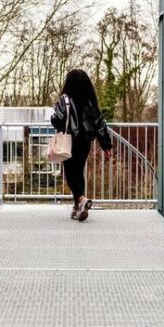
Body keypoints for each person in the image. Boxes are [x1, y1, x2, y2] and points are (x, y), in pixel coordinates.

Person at [50, 69, 113, 222]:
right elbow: (100, 124)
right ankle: (77, 207)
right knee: (78, 171)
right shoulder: (90, 102)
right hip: (85, 141)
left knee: (70, 173)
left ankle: (81, 199)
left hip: (69, 140)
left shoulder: (64, 99)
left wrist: (55, 117)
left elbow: (57, 120)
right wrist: (106, 146)